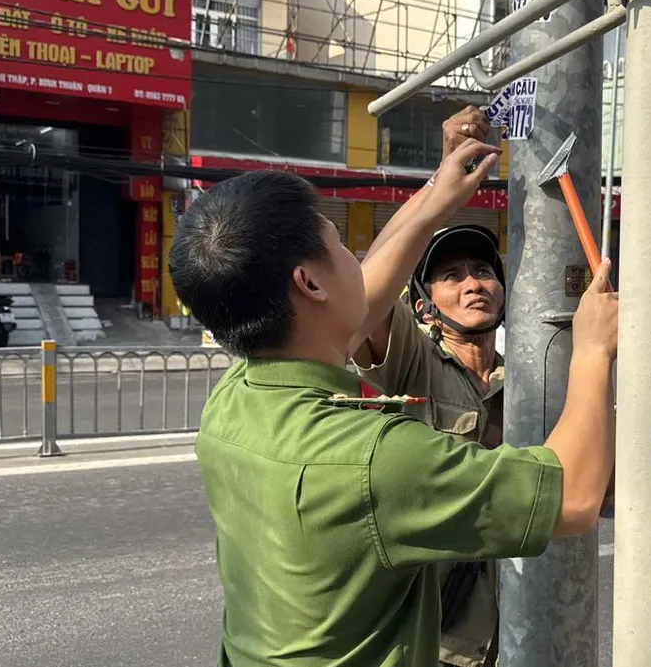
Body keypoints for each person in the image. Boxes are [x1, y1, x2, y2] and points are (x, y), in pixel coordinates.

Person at [169, 140, 618, 666]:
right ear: (309, 282)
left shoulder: (234, 398)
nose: (357, 261)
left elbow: (368, 293)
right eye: (341, 246)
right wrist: (593, 350)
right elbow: (574, 498)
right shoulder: (375, 459)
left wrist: (435, 199)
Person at [354, 107, 612, 667]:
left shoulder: (532, 377)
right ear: (423, 304)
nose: (473, 283)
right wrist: (440, 183)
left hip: (531, 621)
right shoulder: (414, 362)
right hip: (444, 644)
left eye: (484, 271)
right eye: (451, 276)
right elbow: (365, 297)